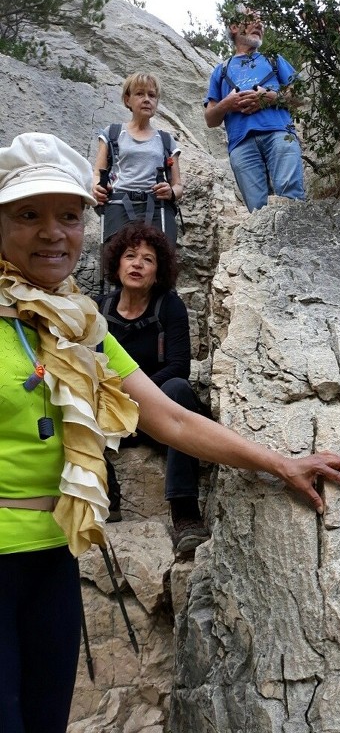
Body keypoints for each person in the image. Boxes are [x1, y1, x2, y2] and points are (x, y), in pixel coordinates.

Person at [0, 132, 340, 733]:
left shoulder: (76, 325)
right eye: (28, 215)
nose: (52, 232)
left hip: (52, 557)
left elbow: (169, 417)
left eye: (68, 215)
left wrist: (279, 463)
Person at [97, 222, 210, 552]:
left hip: (157, 413)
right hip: (113, 415)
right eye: (130, 256)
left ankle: (186, 515)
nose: (137, 264)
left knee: (178, 388)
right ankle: (106, 495)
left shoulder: (169, 307)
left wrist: (134, 394)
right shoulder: (98, 310)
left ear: (158, 271)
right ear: (117, 264)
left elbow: (179, 367)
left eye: (147, 259)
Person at [204, 5, 306, 212]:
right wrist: (227, 104)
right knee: (257, 212)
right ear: (234, 27)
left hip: (279, 133)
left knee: (291, 199)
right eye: (251, 19)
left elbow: (301, 96)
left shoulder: (273, 58)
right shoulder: (221, 70)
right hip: (241, 145)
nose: (259, 24)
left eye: (261, 21)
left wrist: (271, 98)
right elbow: (210, 119)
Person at [92, 72, 183, 246]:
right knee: (118, 260)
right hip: (119, 203)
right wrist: (97, 188)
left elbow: (178, 186)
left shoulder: (166, 140)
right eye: (140, 94)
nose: (147, 99)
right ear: (128, 100)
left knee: (159, 259)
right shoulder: (112, 133)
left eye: (152, 95)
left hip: (157, 206)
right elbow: (98, 173)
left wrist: (170, 192)